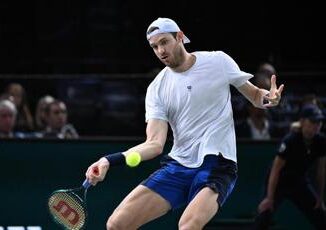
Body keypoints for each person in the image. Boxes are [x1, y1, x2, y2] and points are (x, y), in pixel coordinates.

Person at [85, 17, 284, 230]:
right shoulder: (157, 88)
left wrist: (268, 98)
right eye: (154, 46)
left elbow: (254, 95)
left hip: (217, 165)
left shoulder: (218, 62)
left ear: (179, 37)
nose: (160, 51)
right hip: (178, 167)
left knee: (188, 226)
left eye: (164, 42)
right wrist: (108, 160)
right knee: (117, 224)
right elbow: (154, 144)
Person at [253, 104, 326, 230]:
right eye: (313, 121)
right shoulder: (290, 140)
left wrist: (320, 197)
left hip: (299, 182)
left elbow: (321, 170)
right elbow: (275, 170)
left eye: (319, 122)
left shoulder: (321, 141)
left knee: (320, 215)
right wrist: (270, 198)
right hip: (279, 182)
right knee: (264, 215)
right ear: (302, 121)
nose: (316, 125)